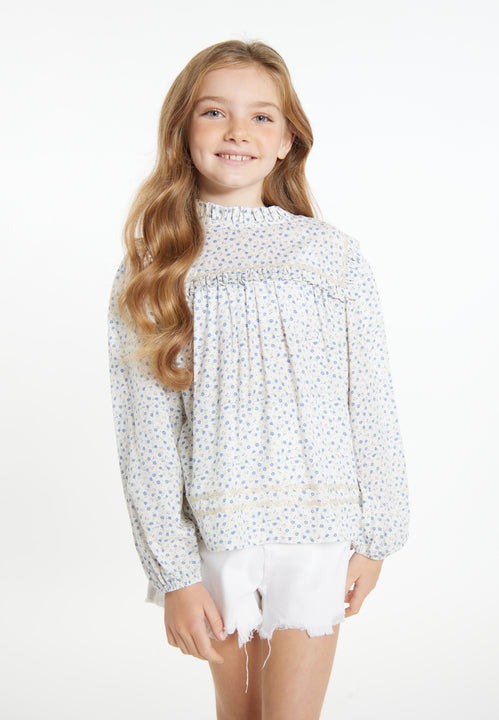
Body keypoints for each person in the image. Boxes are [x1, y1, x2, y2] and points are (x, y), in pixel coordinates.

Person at [107, 39, 410, 720]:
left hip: (320, 527)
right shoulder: (153, 268)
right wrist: (174, 573)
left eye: (262, 117)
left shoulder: (331, 256)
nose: (238, 131)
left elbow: (371, 401)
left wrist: (378, 536)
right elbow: (145, 436)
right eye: (214, 111)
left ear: (287, 141)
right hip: (215, 536)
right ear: (182, 131)